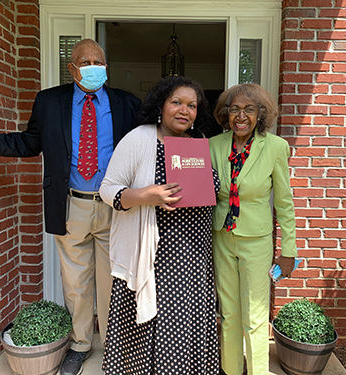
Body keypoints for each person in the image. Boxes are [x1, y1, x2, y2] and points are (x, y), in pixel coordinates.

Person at [0, 39, 141, 375]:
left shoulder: (127, 103)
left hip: (115, 207)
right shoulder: (50, 102)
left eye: (99, 61)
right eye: (86, 61)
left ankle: (114, 347)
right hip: (70, 204)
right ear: (72, 68)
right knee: (75, 283)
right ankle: (80, 345)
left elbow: (147, 145)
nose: (94, 67)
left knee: (114, 281)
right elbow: (28, 142)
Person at [99, 76, 220, 375]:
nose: (184, 110)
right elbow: (107, 189)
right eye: (176, 102)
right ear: (161, 105)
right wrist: (144, 195)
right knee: (154, 322)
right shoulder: (139, 138)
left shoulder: (200, 142)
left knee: (186, 322)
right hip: (153, 254)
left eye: (192, 105)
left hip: (194, 254)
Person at [209, 83, 298, 375]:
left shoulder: (275, 147)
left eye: (249, 109)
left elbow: (284, 203)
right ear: (226, 113)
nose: (241, 116)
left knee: (256, 315)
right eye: (234, 109)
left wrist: (288, 251)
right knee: (230, 314)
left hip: (256, 241)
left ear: (261, 114)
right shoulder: (214, 145)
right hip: (222, 236)